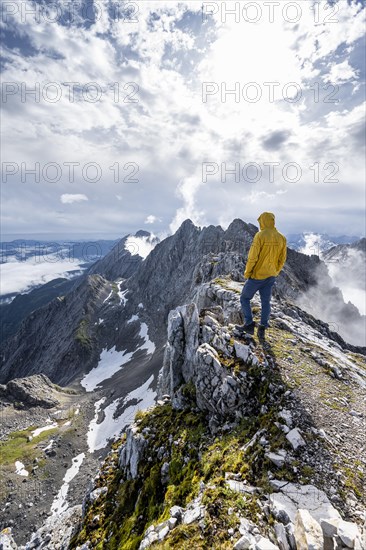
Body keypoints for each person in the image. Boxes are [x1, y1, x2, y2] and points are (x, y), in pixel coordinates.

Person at [238, 212, 287, 337]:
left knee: (244, 298)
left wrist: (248, 272)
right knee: (266, 302)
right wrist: (275, 271)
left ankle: (249, 324)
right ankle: (262, 328)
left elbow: (252, 257)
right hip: (271, 276)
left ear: (263, 221)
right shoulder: (282, 237)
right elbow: (282, 259)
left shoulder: (260, 235)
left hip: (257, 276)